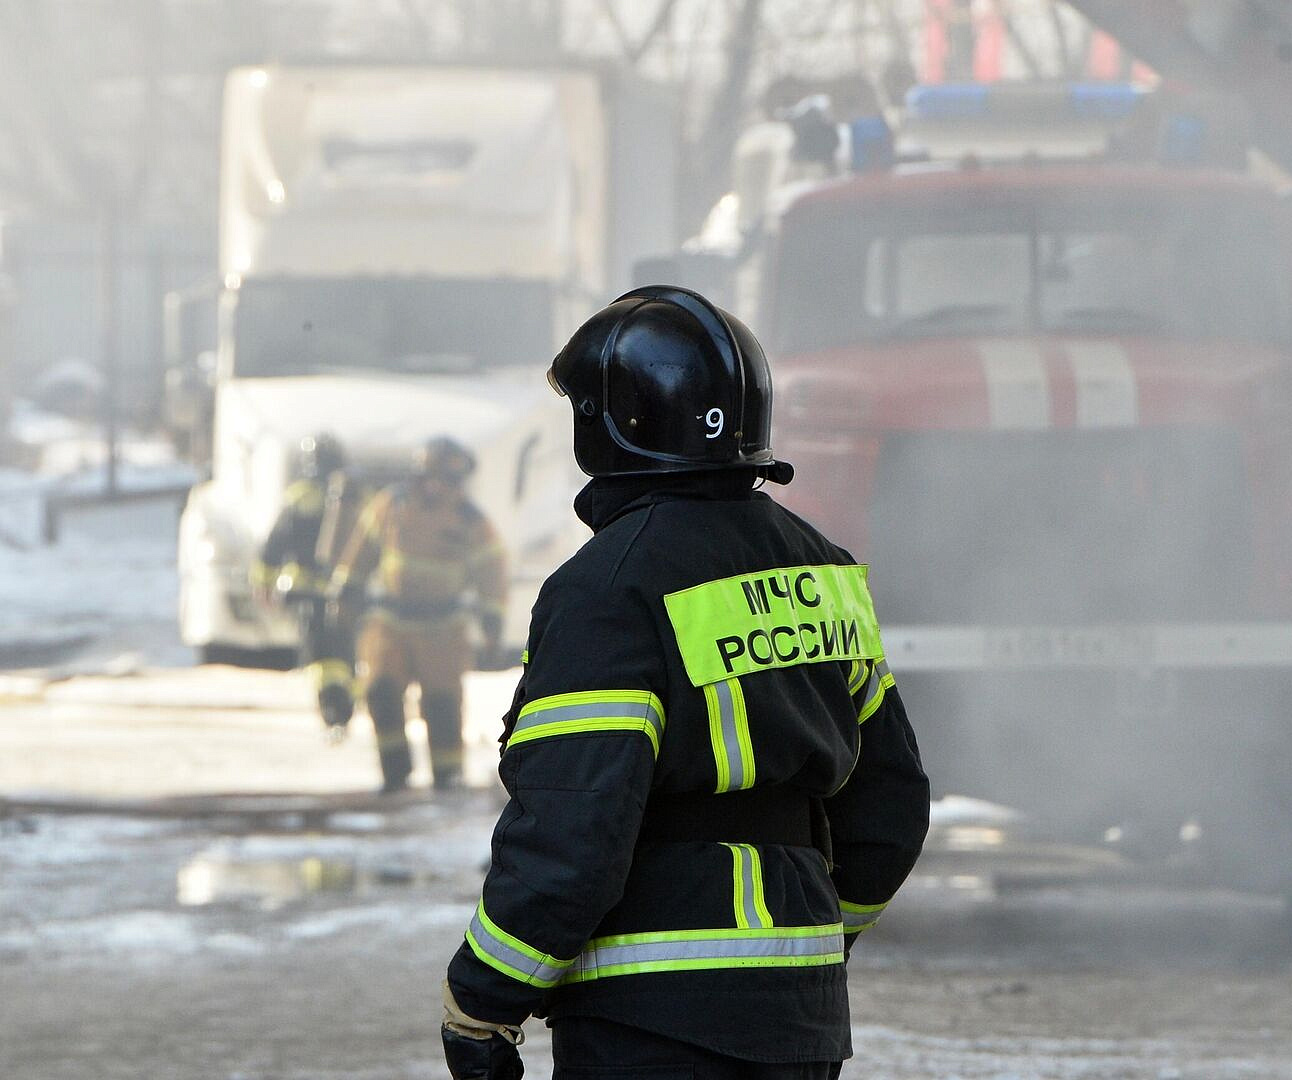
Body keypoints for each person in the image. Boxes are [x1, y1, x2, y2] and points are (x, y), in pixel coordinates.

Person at [440, 286, 929, 1080]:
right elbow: (893, 808)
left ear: (609, 426)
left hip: (648, 1017)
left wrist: (483, 999)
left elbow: (575, 828)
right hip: (799, 1021)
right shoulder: (823, 571)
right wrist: (810, 938)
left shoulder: (610, 588)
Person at [332, 436, 506, 792]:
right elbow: (360, 549)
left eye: (446, 480)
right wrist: (346, 591)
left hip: (443, 627)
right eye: (431, 477)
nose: (436, 486)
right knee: (380, 690)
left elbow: (492, 573)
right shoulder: (391, 506)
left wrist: (492, 623)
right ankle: (394, 773)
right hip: (391, 622)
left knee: (442, 704)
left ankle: (447, 776)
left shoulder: (471, 521)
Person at [254, 433, 361, 738]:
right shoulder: (356, 496)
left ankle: (332, 710)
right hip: (347, 591)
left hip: (306, 593)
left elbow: (274, 544)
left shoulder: (300, 497)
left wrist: (263, 581)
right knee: (345, 652)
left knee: (319, 656)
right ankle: (347, 705)